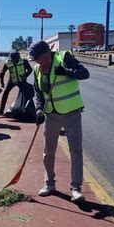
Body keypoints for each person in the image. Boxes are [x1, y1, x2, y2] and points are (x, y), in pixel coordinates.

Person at [28, 41, 90, 202]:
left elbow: (84, 73)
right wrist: (39, 110)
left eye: (37, 58)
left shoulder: (64, 58)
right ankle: (49, 184)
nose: (36, 62)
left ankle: (76, 189)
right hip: (51, 115)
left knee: (76, 151)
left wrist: (67, 71)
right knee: (48, 151)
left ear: (47, 54)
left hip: (72, 113)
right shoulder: (36, 69)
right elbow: (38, 93)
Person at [0, 50, 33, 116]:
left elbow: (30, 69)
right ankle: (1, 110)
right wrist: (2, 82)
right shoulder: (8, 63)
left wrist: (25, 76)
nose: (14, 61)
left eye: (15, 60)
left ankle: (26, 110)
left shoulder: (24, 61)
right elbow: (2, 73)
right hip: (12, 80)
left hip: (21, 80)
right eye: (12, 60)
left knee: (25, 94)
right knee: (5, 92)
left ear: (19, 58)